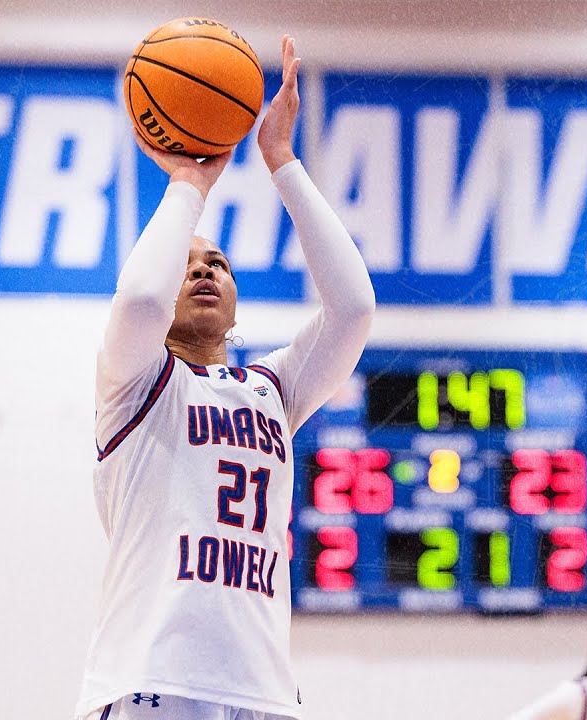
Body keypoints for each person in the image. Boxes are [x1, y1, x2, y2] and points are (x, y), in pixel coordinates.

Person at [76, 35, 375, 720]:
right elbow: (141, 303)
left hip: (264, 690)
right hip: (153, 681)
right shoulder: (134, 382)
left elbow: (354, 308)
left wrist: (283, 162)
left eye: (219, 263)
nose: (205, 269)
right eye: (187, 263)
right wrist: (191, 182)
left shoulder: (272, 389)